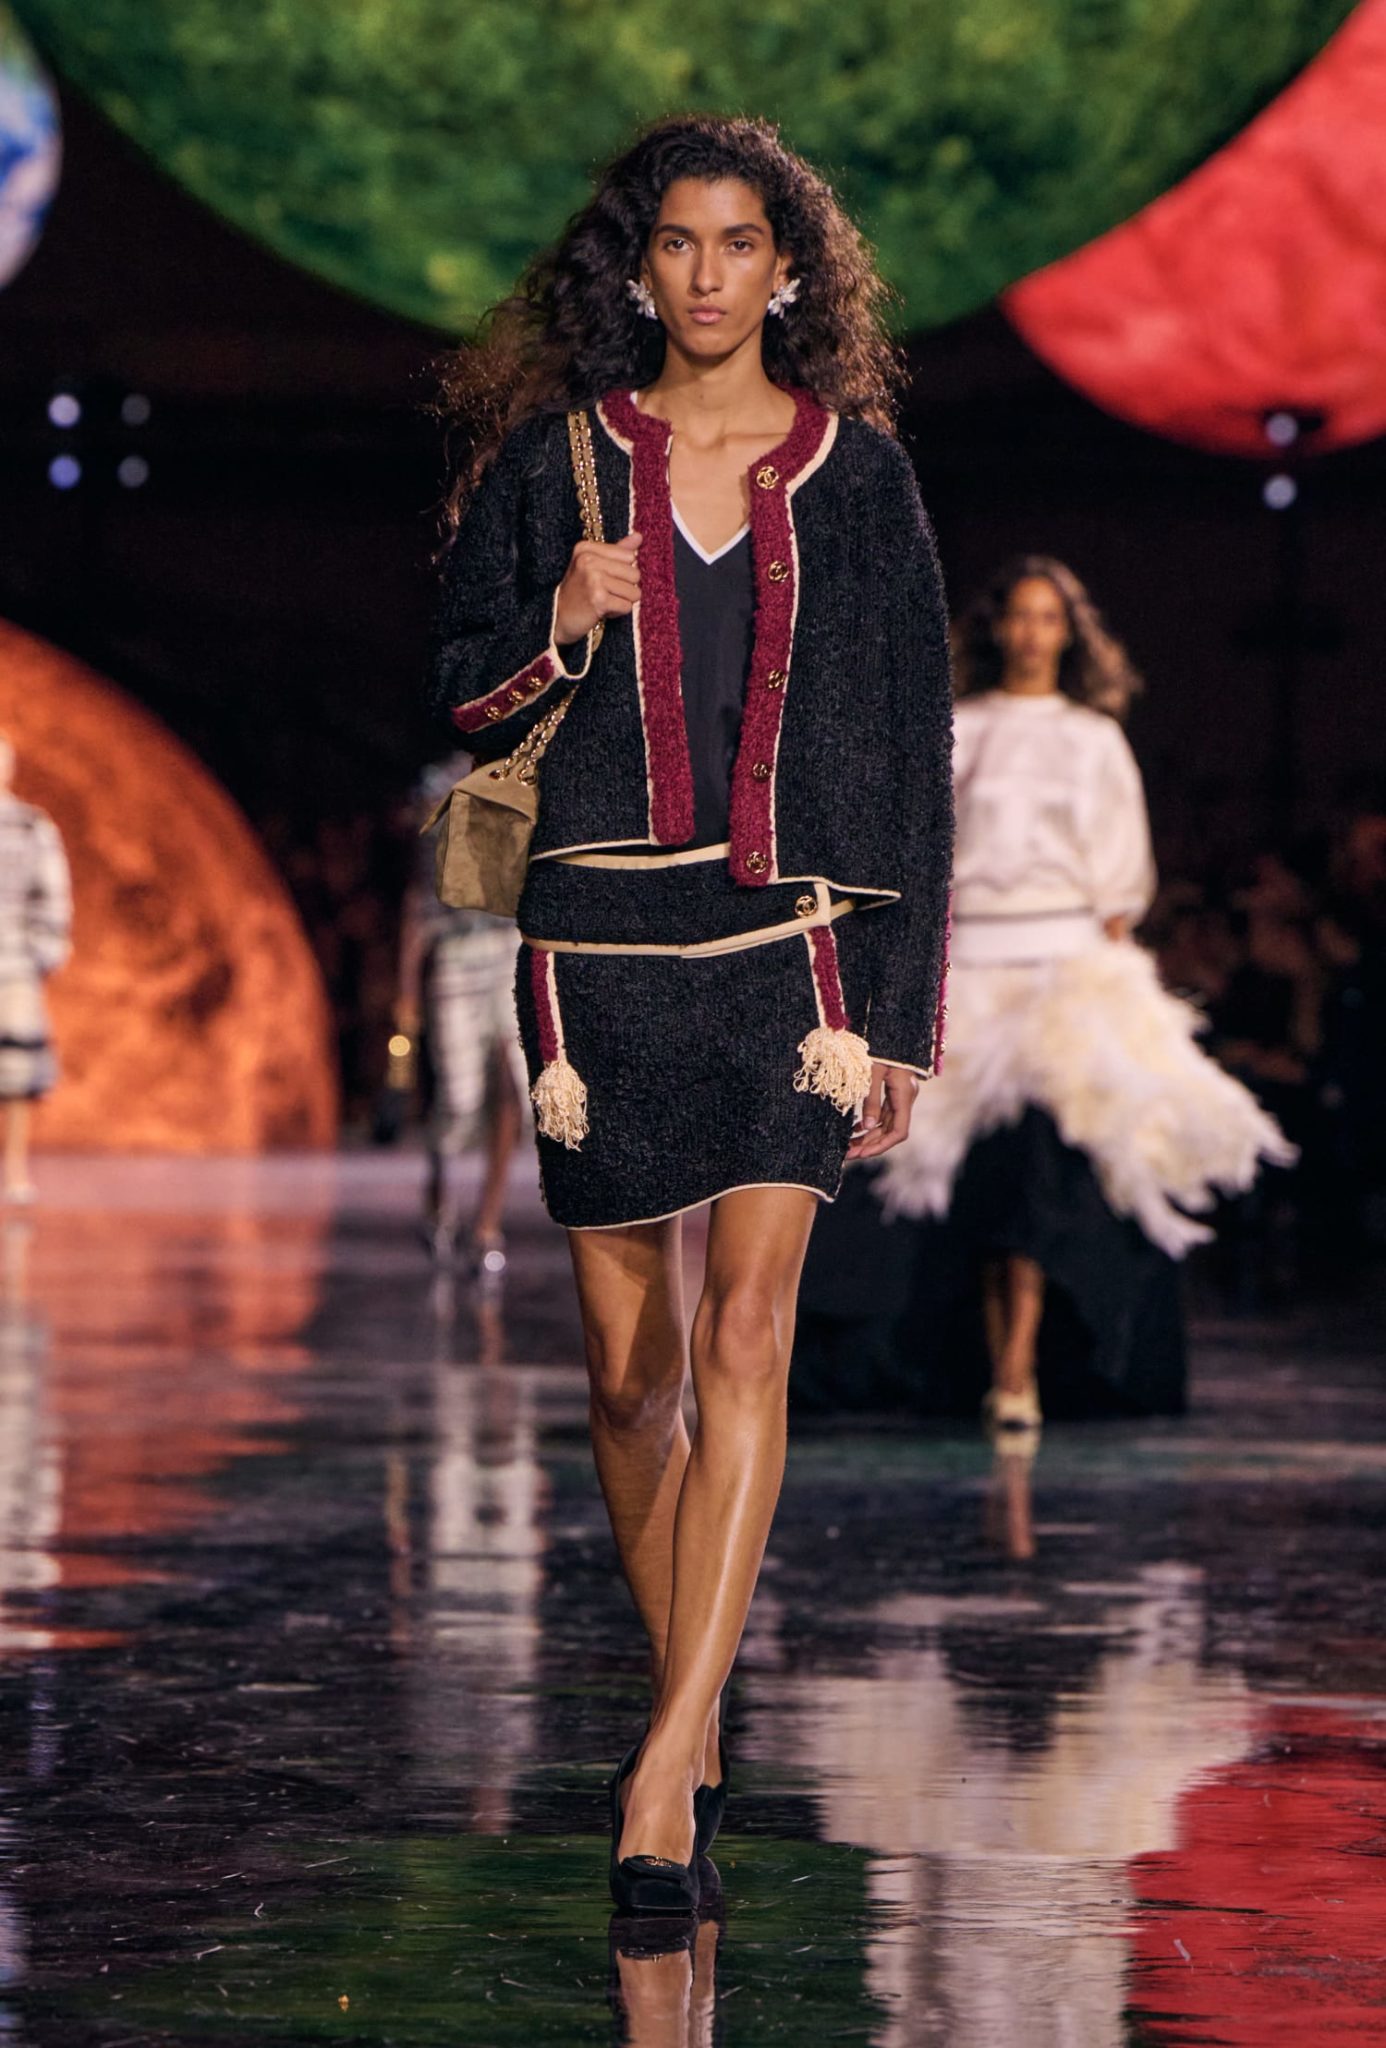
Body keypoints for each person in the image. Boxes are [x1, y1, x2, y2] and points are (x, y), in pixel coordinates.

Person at [428, 115, 953, 1910]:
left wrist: (900, 1015)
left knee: (746, 1335)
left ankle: (663, 1771)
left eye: (741, 243)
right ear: (638, 268)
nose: (709, 273)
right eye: (678, 243)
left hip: (788, 956)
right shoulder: (557, 462)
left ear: (786, 269)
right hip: (596, 954)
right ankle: (693, 1709)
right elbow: (458, 692)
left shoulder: (858, 478)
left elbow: (911, 756)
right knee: (628, 1376)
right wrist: (558, 619)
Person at [878, 557, 1293, 1432]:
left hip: (1066, 971)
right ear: (997, 627)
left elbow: (1121, 873)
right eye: (1019, 615)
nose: (1032, 633)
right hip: (969, 968)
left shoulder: (1094, 739)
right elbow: (925, 852)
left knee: (1049, 1170)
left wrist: (1112, 977)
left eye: (1048, 617)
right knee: (973, 1176)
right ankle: (992, 1363)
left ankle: (1021, 1365)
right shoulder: (959, 729)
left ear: (1069, 633)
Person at [397, 754, 526, 1273]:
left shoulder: (524, 768)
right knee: (460, 1098)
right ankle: (438, 1187)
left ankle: (487, 1223)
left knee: (514, 1083)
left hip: (510, 946)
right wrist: (406, 989)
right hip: (454, 954)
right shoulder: (437, 782)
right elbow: (419, 897)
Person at [0, 733, 71, 1203]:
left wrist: (45, 950)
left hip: (13, 962)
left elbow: (52, 893)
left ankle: (14, 1171)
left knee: (17, 1074)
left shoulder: (30, 827)